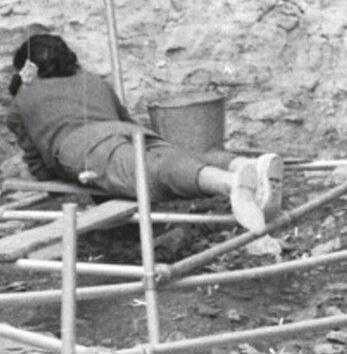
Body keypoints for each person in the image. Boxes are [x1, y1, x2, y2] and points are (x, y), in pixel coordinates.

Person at [6, 32, 283, 234]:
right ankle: (245, 164)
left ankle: (231, 183)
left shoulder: (22, 99)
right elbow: (123, 117)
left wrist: (62, 175)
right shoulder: (93, 81)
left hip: (84, 148)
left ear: (28, 69)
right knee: (177, 156)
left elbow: (37, 163)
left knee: (153, 177)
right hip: (127, 131)